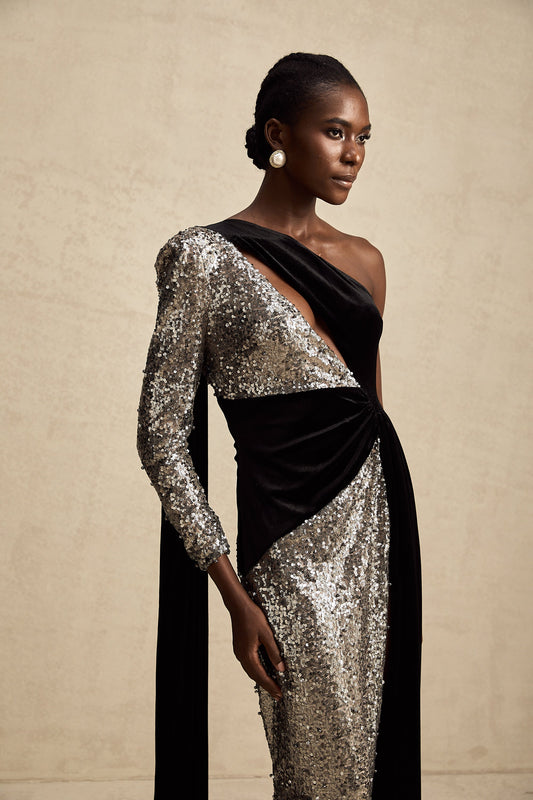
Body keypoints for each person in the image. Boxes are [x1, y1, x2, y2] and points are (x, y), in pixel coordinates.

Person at [137, 53, 422, 800]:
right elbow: (161, 435)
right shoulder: (202, 258)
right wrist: (231, 590)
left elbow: (367, 410)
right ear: (277, 135)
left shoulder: (365, 262)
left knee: (374, 762)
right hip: (287, 542)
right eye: (334, 131)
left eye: (363, 136)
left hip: (379, 529)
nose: (353, 154)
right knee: (317, 772)